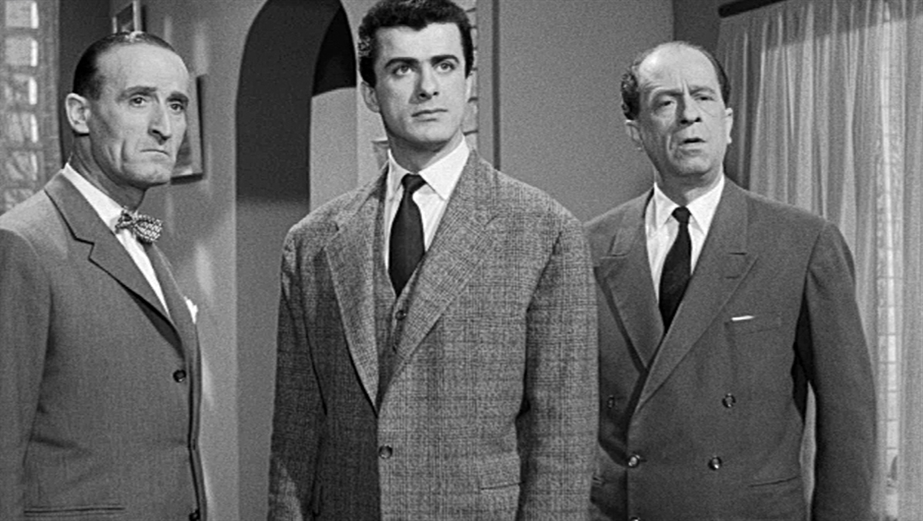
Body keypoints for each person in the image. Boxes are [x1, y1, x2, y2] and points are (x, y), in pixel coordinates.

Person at [267, 1, 597, 519]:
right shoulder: (312, 244)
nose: (428, 87)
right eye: (403, 69)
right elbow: (296, 428)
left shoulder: (544, 231)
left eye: (444, 65)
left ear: (468, 80)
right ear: (371, 92)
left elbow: (563, 436)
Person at [587, 41, 876, 520]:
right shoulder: (589, 248)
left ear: (728, 121)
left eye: (703, 97)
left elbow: (849, 417)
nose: (689, 115)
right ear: (635, 131)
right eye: (666, 102)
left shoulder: (802, 242)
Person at [0, 32, 205, 521]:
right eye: (138, 100)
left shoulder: (139, 242)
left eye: (176, 105)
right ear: (79, 114)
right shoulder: (14, 249)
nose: (164, 126)